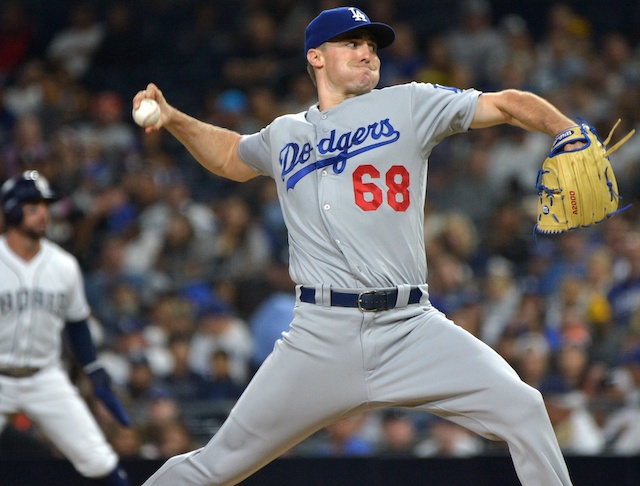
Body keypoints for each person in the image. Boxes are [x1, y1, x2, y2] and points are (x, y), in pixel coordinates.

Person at [135, 6, 578, 485]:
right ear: (316, 57)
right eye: (353, 44)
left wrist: (566, 131)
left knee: (525, 408)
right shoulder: (284, 134)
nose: (368, 53)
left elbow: (506, 102)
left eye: (372, 46)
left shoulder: (410, 104)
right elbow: (228, 155)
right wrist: (174, 118)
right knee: (215, 466)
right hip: (319, 336)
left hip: (410, 327)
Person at [0, 170, 131, 485]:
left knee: (100, 460)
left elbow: (77, 324)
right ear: (12, 211)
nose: (43, 213)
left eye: (45, 206)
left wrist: (94, 370)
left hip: (45, 377)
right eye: (33, 206)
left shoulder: (64, 265)